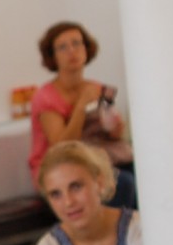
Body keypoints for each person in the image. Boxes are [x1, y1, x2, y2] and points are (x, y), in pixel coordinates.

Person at [30, 21, 136, 209]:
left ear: (87, 48)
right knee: (123, 183)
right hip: (62, 166)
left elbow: (114, 135)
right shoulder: (46, 97)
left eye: (77, 43)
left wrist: (116, 128)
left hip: (104, 158)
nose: (72, 51)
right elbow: (62, 146)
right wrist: (81, 105)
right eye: (63, 47)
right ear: (52, 56)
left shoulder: (97, 88)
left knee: (146, 172)